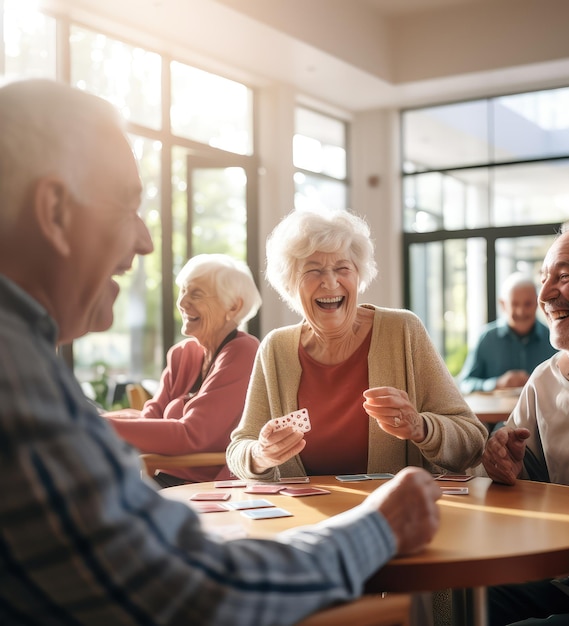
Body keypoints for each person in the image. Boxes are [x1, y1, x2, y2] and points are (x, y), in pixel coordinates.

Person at [0, 78, 445, 625]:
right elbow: (192, 588)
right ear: (55, 211)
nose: (144, 239)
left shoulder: (28, 362)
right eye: (128, 207)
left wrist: (420, 428)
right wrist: (376, 527)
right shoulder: (17, 378)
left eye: (341, 268)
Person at [226, 207, 487, 482]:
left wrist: (421, 427)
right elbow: (239, 448)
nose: (330, 281)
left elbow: (472, 442)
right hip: (306, 519)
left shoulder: (402, 331)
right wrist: (260, 455)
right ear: (291, 284)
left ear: (358, 276)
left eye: (342, 268)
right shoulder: (276, 348)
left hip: (394, 514)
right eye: (313, 270)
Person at [480, 215, 569, 626]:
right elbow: (518, 477)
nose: (545, 294)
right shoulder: (544, 380)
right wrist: (501, 465)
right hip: (567, 580)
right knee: (449, 601)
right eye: (545, 276)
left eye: (564, 275)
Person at [104, 253, 261, 487]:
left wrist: (92, 425)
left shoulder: (244, 352)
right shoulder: (182, 353)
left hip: (211, 488)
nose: (182, 302)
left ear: (234, 305)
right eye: (183, 291)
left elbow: (193, 435)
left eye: (195, 294)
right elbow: (152, 417)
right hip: (164, 478)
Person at [458, 272, 557, 394]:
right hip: (495, 412)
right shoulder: (487, 339)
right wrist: (497, 384)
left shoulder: (553, 338)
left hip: (542, 412)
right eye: (514, 304)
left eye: (528, 304)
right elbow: (465, 384)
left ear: (538, 304)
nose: (521, 311)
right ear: (503, 304)